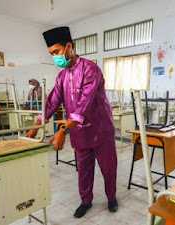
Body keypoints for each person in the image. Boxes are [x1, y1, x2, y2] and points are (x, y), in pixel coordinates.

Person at [26, 27, 118, 218]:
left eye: (57, 52)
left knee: (108, 168)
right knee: (84, 170)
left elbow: (83, 105)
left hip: (101, 130)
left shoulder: (91, 70)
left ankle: (111, 197)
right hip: (80, 134)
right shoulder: (62, 77)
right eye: (52, 54)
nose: (55, 58)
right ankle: (86, 201)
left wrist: (62, 131)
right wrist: (36, 126)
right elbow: (51, 102)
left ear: (69, 47)